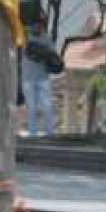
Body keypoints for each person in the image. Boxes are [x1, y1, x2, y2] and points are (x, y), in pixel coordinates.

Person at [20, 10, 64, 138]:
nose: (37, 27)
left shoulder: (46, 38)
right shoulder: (25, 37)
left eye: (40, 25)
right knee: (31, 106)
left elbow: (53, 56)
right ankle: (32, 133)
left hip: (43, 77)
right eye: (35, 25)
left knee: (46, 105)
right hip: (28, 77)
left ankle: (49, 132)